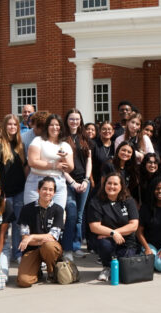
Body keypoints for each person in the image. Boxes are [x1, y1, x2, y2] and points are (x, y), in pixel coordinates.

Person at [86, 172, 141, 282]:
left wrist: (115, 232)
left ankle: (116, 266)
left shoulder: (129, 201)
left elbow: (134, 225)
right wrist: (112, 234)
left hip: (126, 241)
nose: (112, 186)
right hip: (106, 240)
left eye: (115, 184)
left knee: (123, 265)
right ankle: (106, 267)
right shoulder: (96, 202)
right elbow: (94, 227)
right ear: (104, 184)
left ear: (121, 186)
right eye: (109, 183)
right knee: (104, 244)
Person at [0, 114, 28, 261]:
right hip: (4, 192)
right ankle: (2, 252)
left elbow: (24, 168)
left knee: (18, 223)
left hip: (19, 190)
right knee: (3, 225)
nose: (12, 127)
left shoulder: (20, 145)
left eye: (15, 124)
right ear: (4, 126)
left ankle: (17, 253)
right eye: (9, 124)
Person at [15, 177, 65, 287]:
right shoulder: (26, 209)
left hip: (50, 248)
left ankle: (51, 272)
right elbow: (24, 239)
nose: (47, 192)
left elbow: (52, 237)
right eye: (44, 189)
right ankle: (36, 270)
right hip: (32, 250)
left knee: (49, 246)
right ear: (38, 190)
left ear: (54, 192)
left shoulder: (58, 210)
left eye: (51, 190)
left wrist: (31, 237)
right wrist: (31, 239)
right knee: (24, 281)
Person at [25, 113, 74, 208]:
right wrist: (55, 165)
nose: (54, 127)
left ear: (61, 127)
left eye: (57, 125)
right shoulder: (38, 141)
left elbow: (70, 168)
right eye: (51, 125)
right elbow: (32, 162)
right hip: (37, 181)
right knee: (34, 216)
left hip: (58, 183)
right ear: (47, 127)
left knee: (56, 218)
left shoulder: (65, 145)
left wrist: (64, 158)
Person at [63, 109, 93, 255]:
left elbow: (89, 160)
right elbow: (61, 164)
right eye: (71, 119)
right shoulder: (62, 139)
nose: (74, 121)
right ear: (67, 120)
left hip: (84, 180)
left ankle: (76, 245)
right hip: (67, 181)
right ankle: (67, 247)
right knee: (71, 212)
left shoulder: (85, 137)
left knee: (80, 215)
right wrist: (72, 183)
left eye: (77, 119)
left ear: (80, 121)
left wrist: (86, 180)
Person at [92, 121, 117, 186]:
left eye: (109, 129)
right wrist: (91, 181)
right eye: (104, 129)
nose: (107, 131)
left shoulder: (116, 145)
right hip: (96, 181)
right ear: (99, 131)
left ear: (113, 132)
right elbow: (89, 163)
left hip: (112, 182)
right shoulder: (93, 144)